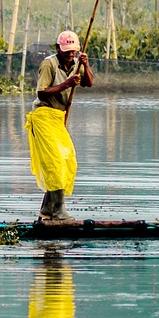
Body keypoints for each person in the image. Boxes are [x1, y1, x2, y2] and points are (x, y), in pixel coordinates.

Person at [25, 30, 94, 223]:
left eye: (73, 51)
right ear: (58, 48)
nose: (70, 54)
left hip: (57, 117)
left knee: (67, 159)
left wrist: (85, 65)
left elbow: (89, 83)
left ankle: (46, 209)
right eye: (66, 51)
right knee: (55, 162)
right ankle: (57, 211)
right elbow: (42, 93)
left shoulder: (76, 63)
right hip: (43, 115)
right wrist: (67, 84)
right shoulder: (49, 64)